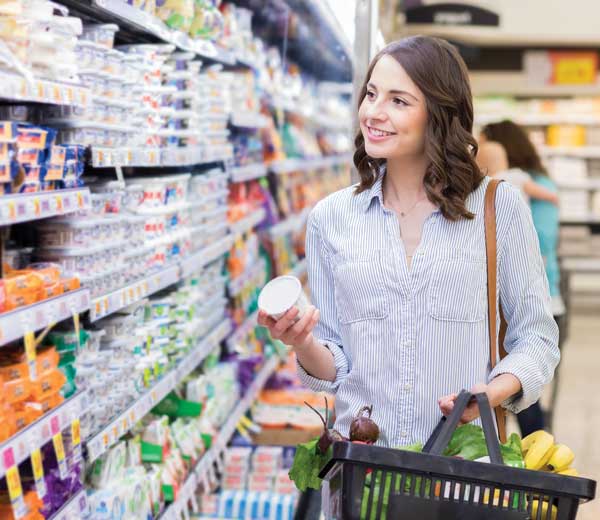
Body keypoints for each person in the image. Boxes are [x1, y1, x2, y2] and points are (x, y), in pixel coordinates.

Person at [258, 36, 559, 450]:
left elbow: (537, 339)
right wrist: (302, 341)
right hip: (362, 472)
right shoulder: (331, 218)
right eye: (371, 94)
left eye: (399, 101)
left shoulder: (497, 208)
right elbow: (337, 365)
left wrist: (491, 393)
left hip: (460, 469)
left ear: (439, 114)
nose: (373, 113)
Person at [480, 120, 563, 436]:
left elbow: (541, 240)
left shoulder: (519, 187)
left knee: (523, 388)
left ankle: (533, 458)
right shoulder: (492, 188)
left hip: (538, 299)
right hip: (499, 305)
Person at [476, 141, 559, 206]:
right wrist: (551, 197)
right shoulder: (516, 175)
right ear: (505, 161)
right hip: (519, 218)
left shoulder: (485, 184)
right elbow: (534, 190)